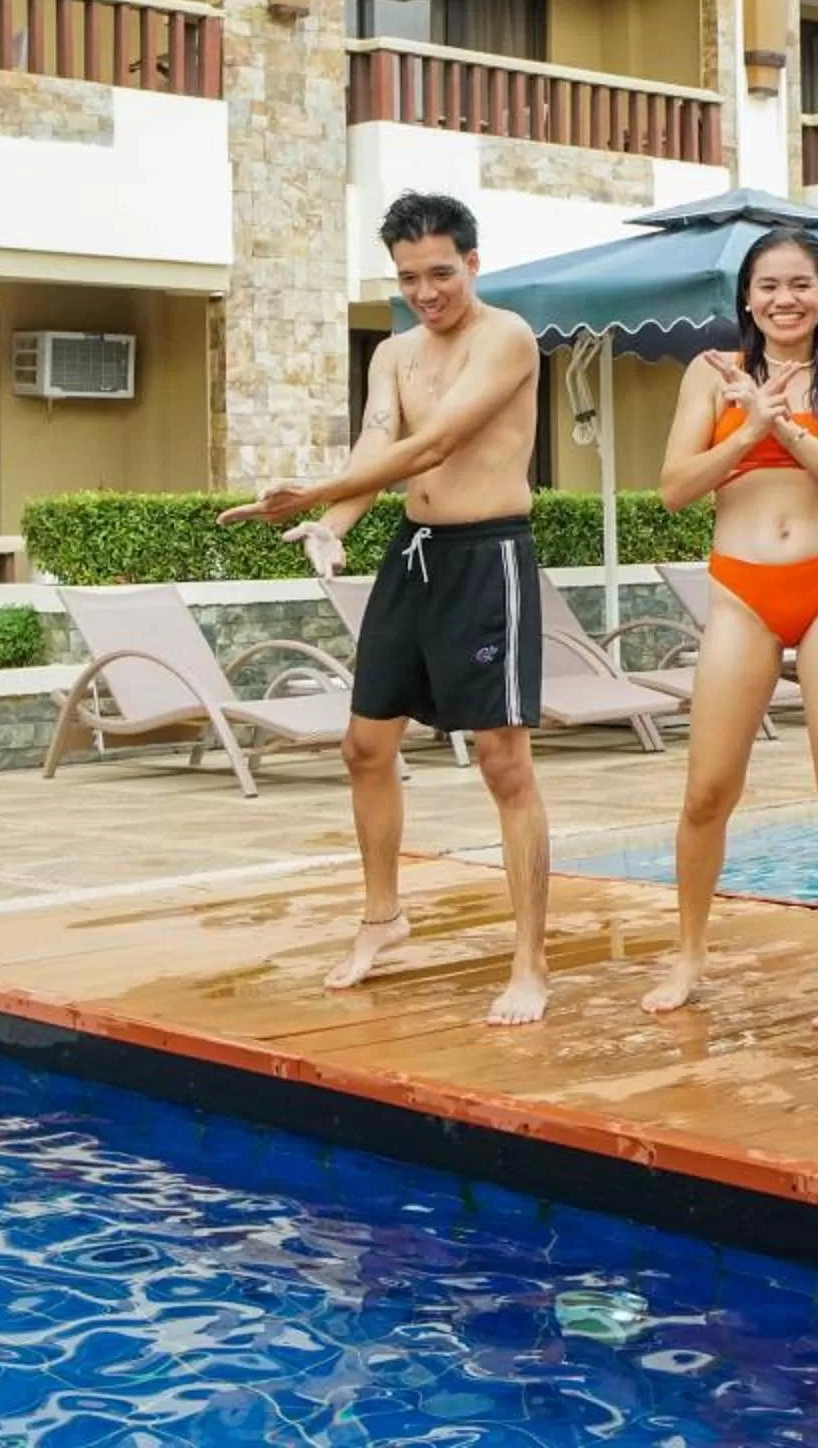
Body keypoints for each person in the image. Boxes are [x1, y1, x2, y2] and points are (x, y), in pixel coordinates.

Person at [218, 191, 553, 1022]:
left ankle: (531, 963)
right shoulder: (393, 353)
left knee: (502, 763)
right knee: (364, 746)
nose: (426, 291)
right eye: (409, 278)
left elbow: (437, 443)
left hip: (488, 558)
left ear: (473, 263)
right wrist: (332, 525)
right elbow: (380, 443)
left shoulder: (505, 338)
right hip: (415, 556)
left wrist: (309, 495)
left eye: (441, 273)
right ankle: (383, 917)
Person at [642, 227, 818, 1029]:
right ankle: (687, 953)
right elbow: (675, 489)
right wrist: (747, 428)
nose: (784, 299)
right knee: (708, 788)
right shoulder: (710, 377)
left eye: (801, 284)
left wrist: (782, 425)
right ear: (746, 299)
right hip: (742, 593)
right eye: (768, 285)